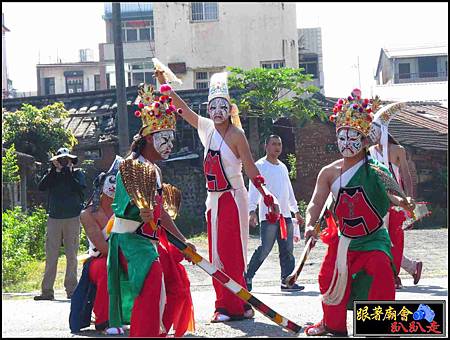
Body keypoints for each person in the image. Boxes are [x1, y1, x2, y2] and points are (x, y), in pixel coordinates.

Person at [155, 69, 278, 323]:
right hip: (214, 200)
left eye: (223, 106)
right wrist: (164, 85)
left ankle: (237, 305)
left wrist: (266, 193)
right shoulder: (206, 128)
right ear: (208, 108)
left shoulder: (237, 135)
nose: (218, 111)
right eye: (213, 107)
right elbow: (183, 110)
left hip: (233, 199)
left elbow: (250, 166)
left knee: (232, 253)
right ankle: (224, 304)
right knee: (216, 255)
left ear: (230, 108)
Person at [303, 89, 415, 336]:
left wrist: (403, 202)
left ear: (365, 141)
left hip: (373, 238)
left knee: (381, 270)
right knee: (327, 277)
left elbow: (392, 194)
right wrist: (310, 225)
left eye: (353, 137)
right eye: (342, 137)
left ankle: (379, 327)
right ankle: (333, 325)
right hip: (344, 240)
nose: (346, 143)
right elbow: (315, 202)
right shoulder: (329, 173)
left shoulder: (376, 170)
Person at [107, 83, 195, 337]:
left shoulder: (154, 169)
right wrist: (138, 211)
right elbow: (121, 208)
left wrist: (182, 241)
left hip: (150, 240)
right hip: (130, 241)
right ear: (147, 138)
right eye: (163, 139)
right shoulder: (130, 167)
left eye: (171, 139)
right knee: (153, 282)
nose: (169, 145)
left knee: (176, 283)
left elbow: (161, 213)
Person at [69, 156, 129, 334]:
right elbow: (102, 247)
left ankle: (146, 315)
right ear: (101, 185)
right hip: (99, 259)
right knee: (106, 268)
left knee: (144, 266)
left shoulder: (125, 210)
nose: (113, 186)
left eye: (118, 182)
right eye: (111, 181)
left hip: (125, 253)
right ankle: (104, 321)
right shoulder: (87, 214)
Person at [368, 103, 423, 289]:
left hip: (398, 200)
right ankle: (408, 269)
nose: (371, 134)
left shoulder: (398, 150)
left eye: (374, 130)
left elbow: (407, 175)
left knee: (395, 238)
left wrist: (410, 198)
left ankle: (395, 275)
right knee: (381, 238)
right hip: (378, 201)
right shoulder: (370, 152)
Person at [246, 135, 305, 292]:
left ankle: (287, 281)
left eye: (279, 144)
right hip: (269, 216)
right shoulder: (260, 165)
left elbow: (289, 191)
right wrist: (251, 211)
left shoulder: (283, 167)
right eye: (274, 144)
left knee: (287, 250)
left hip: (285, 216)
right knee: (265, 248)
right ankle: (247, 276)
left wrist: (296, 211)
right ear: (266, 146)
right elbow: (253, 190)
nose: (277, 147)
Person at [34, 147, 86, 301]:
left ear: (71, 160)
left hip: (72, 217)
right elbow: (41, 186)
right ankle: (47, 291)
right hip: (54, 217)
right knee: (51, 255)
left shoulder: (77, 174)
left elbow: (79, 189)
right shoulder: (52, 175)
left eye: (66, 159)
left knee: (72, 255)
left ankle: (72, 290)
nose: (63, 162)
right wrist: (54, 170)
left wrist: (68, 172)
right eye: (61, 159)